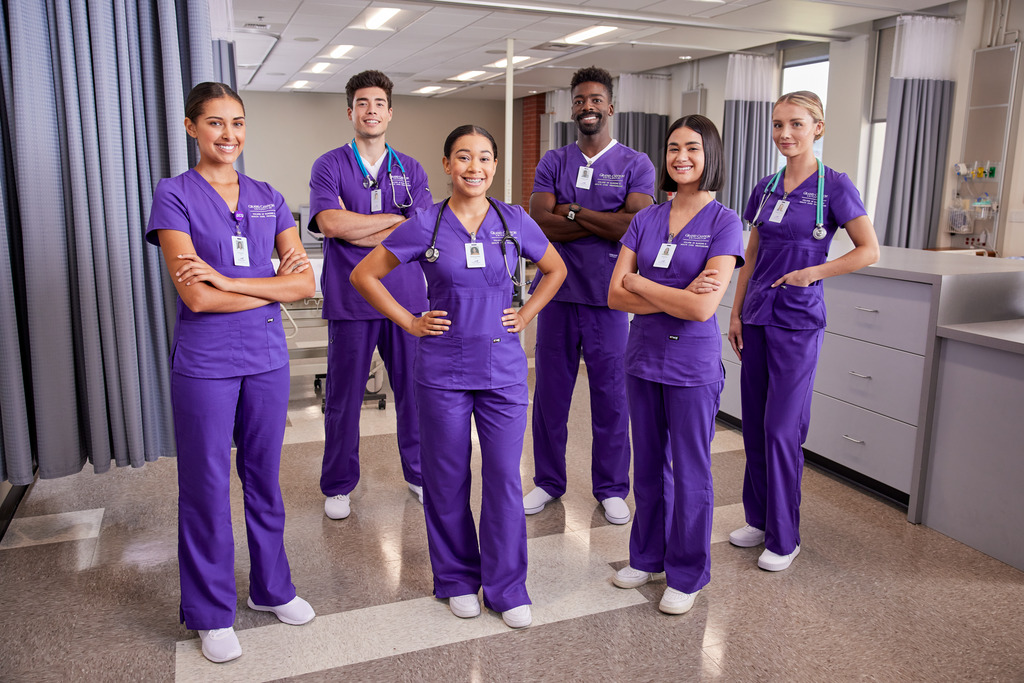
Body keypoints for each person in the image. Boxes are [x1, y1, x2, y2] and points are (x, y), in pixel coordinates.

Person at [351, 125, 566, 629]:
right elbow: (364, 275)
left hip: (505, 372)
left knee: (504, 481)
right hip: (443, 369)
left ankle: (508, 588)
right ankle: (455, 579)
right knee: (446, 480)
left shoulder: (514, 220)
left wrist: (528, 312)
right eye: (464, 158)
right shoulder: (424, 224)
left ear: (495, 166)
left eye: (485, 158)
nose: (475, 167)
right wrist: (408, 321)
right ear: (447, 165)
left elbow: (555, 270)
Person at [146, 82, 316, 664]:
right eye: (215, 123)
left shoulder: (269, 195)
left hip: (267, 360)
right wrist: (267, 288)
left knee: (265, 480)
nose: (229, 135)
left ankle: (272, 589)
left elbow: (304, 285)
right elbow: (195, 299)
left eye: (238, 122)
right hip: (206, 364)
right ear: (192, 127)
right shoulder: (174, 196)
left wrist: (231, 281)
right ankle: (210, 611)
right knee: (206, 487)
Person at [727, 91, 880, 571]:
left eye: (795, 124)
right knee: (753, 423)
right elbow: (750, 254)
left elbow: (867, 250)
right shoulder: (765, 186)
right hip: (755, 317)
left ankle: (785, 535)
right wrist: (735, 312)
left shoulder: (834, 186)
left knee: (781, 428)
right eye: (777, 125)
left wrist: (815, 273)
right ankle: (758, 517)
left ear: (818, 127)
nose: (784, 134)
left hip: (797, 321)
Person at [608, 115, 743, 614]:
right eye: (672, 148)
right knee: (646, 465)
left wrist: (641, 283)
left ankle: (687, 573)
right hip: (642, 359)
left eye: (692, 147)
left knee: (690, 472)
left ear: (710, 155)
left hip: (692, 366)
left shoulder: (726, 222)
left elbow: (702, 309)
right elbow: (613, 294)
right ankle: (646, 556)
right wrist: (671, 293)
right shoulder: (645, 218)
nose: (680, 156)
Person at [523, 66, 656, 525]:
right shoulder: (553, 160)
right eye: (580, 100)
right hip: (557, 295)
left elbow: (634, 226)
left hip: (609, 299)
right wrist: (605, 220)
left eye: (596, 99)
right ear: (572, 108)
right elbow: (539, 220)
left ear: (610, 107)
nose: (588, 107)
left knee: (611, 396)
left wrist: (573, 211)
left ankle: (613, 487)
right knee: (550, 397)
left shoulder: (636, 163)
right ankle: (547, 482)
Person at [308, 70, 434, 520]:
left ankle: (420, 474)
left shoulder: (411, 169)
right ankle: (339, 485)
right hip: (351, 299)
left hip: (404, 299)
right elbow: (331, 225)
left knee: (414, 393)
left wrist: (362, 226)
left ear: (390, 112)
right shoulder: (329, 165)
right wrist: (392, 222)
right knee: (343, 398)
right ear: (350, 111)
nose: (371, 111)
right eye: (362, 103)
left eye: (379, 103)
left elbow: (420, 231)